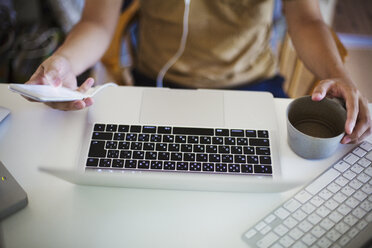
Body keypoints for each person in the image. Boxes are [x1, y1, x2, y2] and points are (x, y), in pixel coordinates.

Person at [25, 0, 371, 144]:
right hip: (156, 87)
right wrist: (66, 63)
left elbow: (307, 19)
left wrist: (339, 74)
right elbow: (97, 22)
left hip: (252, 87)